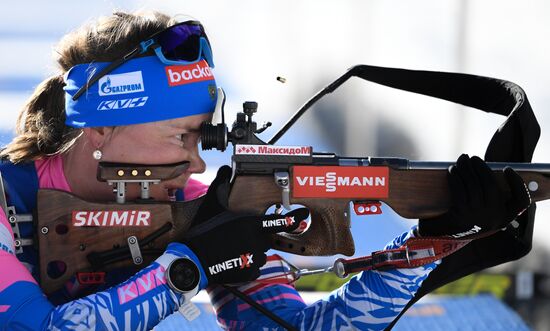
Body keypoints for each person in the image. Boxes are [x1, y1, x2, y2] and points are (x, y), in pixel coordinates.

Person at [0, 10, 531, 331]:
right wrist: (189, 265)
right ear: (99, 130)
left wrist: (427, 244)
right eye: (180, 136)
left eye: (203, 134)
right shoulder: (5, 202)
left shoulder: (189, 203)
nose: (199, 160)